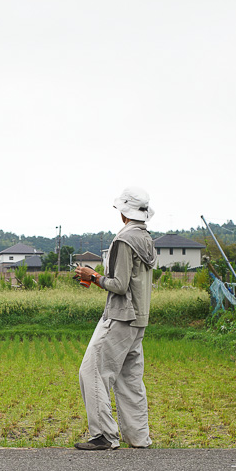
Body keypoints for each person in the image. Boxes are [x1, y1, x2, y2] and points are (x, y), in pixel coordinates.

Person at [73, 187, 157, 450]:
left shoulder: (123, 240)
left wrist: (93, 276)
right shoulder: (146, 239)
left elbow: (119, 285)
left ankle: (104, 436)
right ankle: (139, 438)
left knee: (92, 371)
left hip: (120, 316)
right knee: (130, 379)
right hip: (139, 319)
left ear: (124, 212)